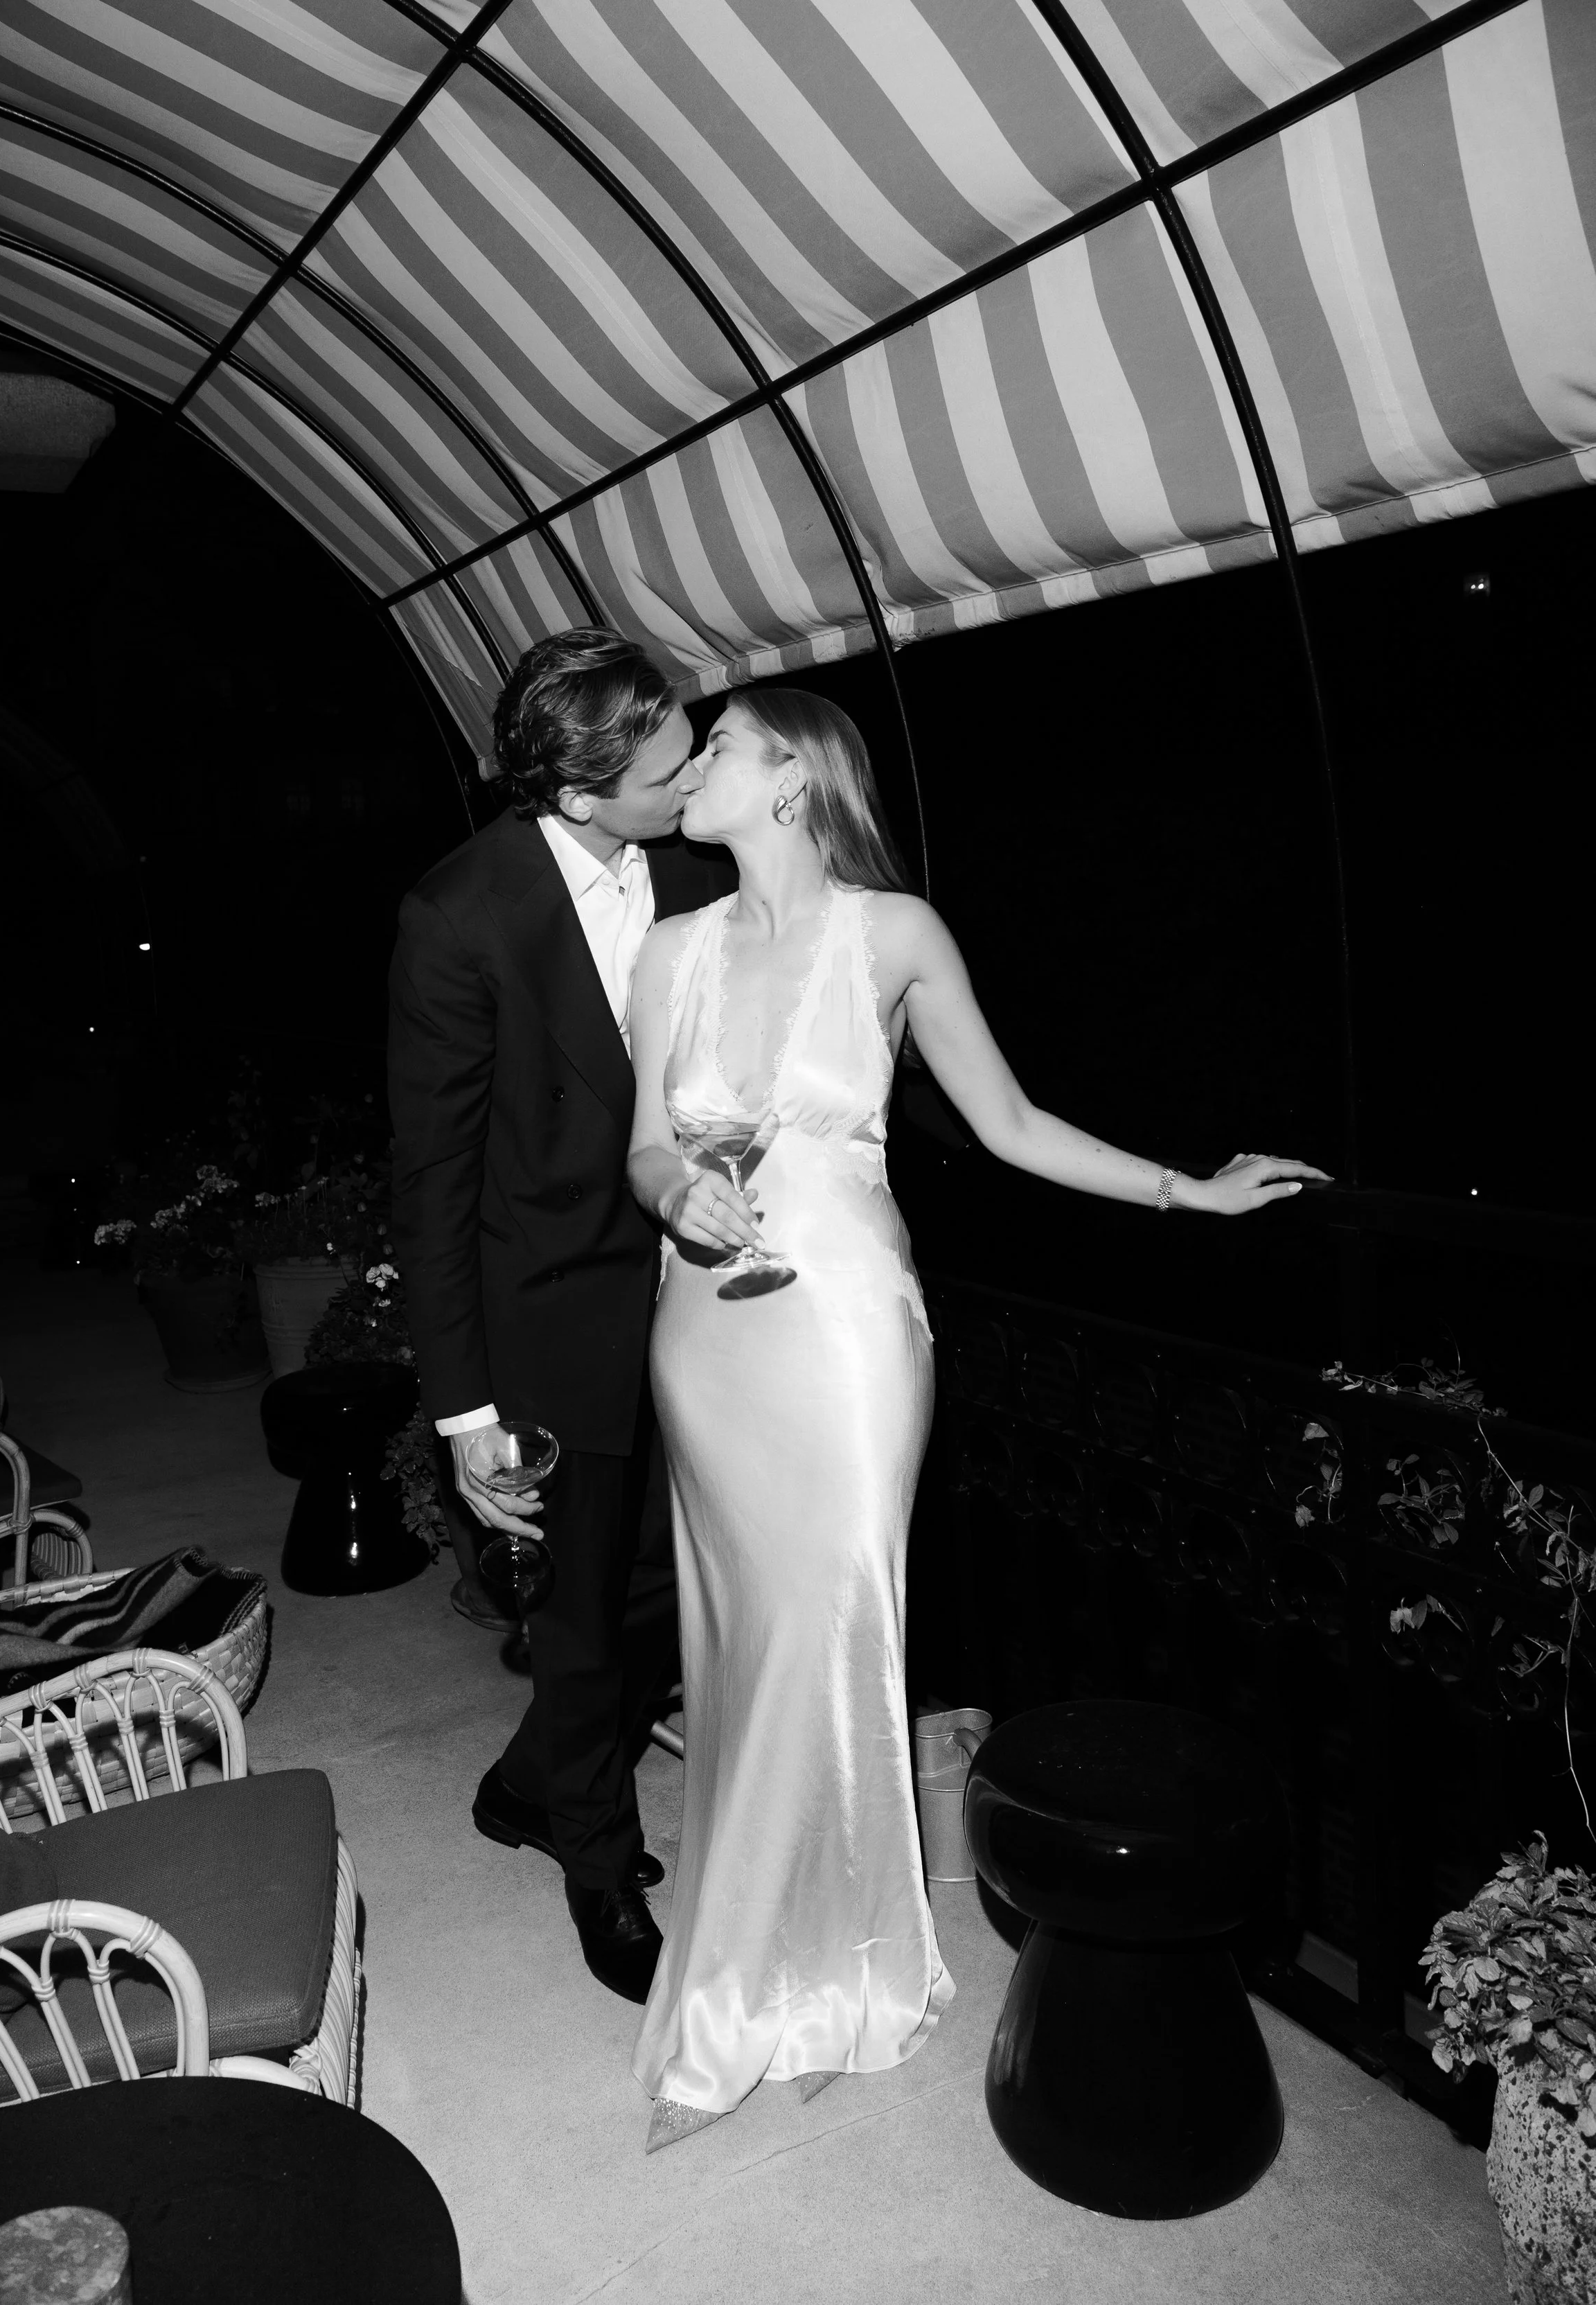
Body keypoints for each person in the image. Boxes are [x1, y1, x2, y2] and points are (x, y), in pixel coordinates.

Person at [624, 687, 1327, 2149]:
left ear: (795, 780)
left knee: (831, 1627)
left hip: (840, 1335)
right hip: (702, 1332)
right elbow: (641, 1144)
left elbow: (1007, 1126)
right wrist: (668, 1191)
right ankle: (777, 1954)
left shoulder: (893, 936)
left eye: (718, 748)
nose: (686, 769)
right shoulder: (670, 950)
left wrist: (1187, 1191)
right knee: (741, 1645)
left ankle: (811, 1979)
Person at [387, 632, 730, 2003]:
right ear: (581, 795)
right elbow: (435, 1180)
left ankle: (534, 1780)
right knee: (587, 1616)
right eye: (667, 764)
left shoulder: (704, 867)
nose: (694, 770)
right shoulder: (459, 915)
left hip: (706, 1312)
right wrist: (465, 1413)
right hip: (548, 1325)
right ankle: (594, 1859)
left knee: (665, 1605)